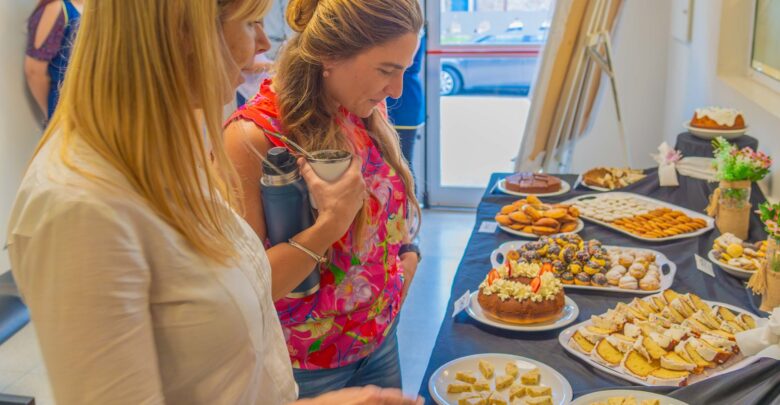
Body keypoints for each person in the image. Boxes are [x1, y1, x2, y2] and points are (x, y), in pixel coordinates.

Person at [6, 0, 421, 404]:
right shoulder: (80, 208)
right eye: (250, 23)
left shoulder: (166, 157)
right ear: (184, 33)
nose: (263, 43)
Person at [223, 0, 424, 398]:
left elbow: (387, 205)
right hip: (310, 367)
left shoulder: (361, 107)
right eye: (386, 70)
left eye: (403, 70)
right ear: (330, 56)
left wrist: (408, 253)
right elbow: (248, 286)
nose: (397, 89)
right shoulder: (254, 138)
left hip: (381, 338)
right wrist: (329, 224)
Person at [24, 0, 83, 121]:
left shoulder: (90, 7)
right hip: (65, 108)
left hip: (86, 105)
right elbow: (34, 71)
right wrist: (52, 114)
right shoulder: (56, 8)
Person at [387, 35, 426, 187]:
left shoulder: (414, 30)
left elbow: (401, 62)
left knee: (403, 163)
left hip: (405, 99)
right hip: (392, 100)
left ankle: (410, 210)